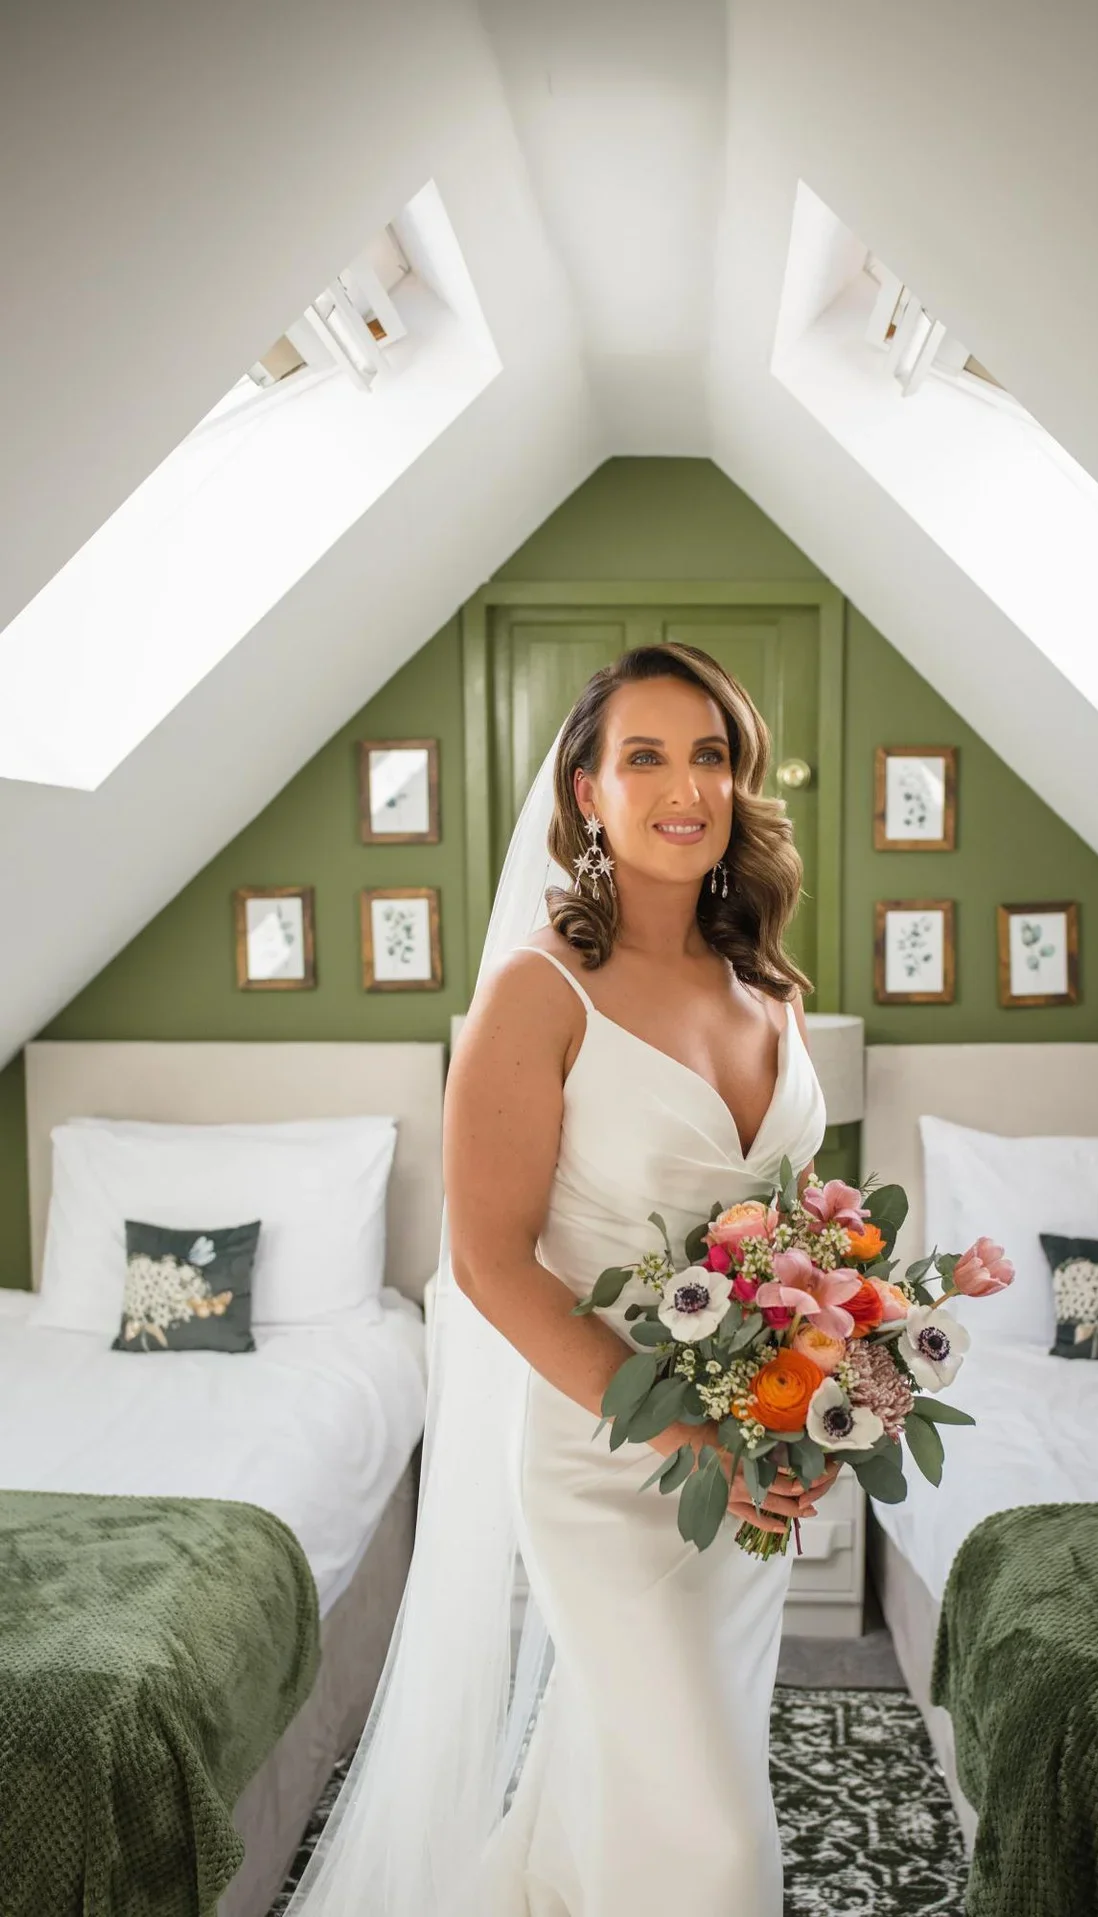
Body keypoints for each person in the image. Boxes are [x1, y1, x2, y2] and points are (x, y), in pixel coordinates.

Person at [284, 642, 839, 1917]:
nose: (684, 787)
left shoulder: (766, 984)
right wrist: (688, 1430)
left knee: (623, 1786)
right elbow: (488, 1262)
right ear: (587, 793)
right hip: (610, 1466)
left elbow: (796, 1233)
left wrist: (813, 1407)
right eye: (643, 757)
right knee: (713, 1844)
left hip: (747, 1466)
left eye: (709, 755)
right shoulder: (536, 994)